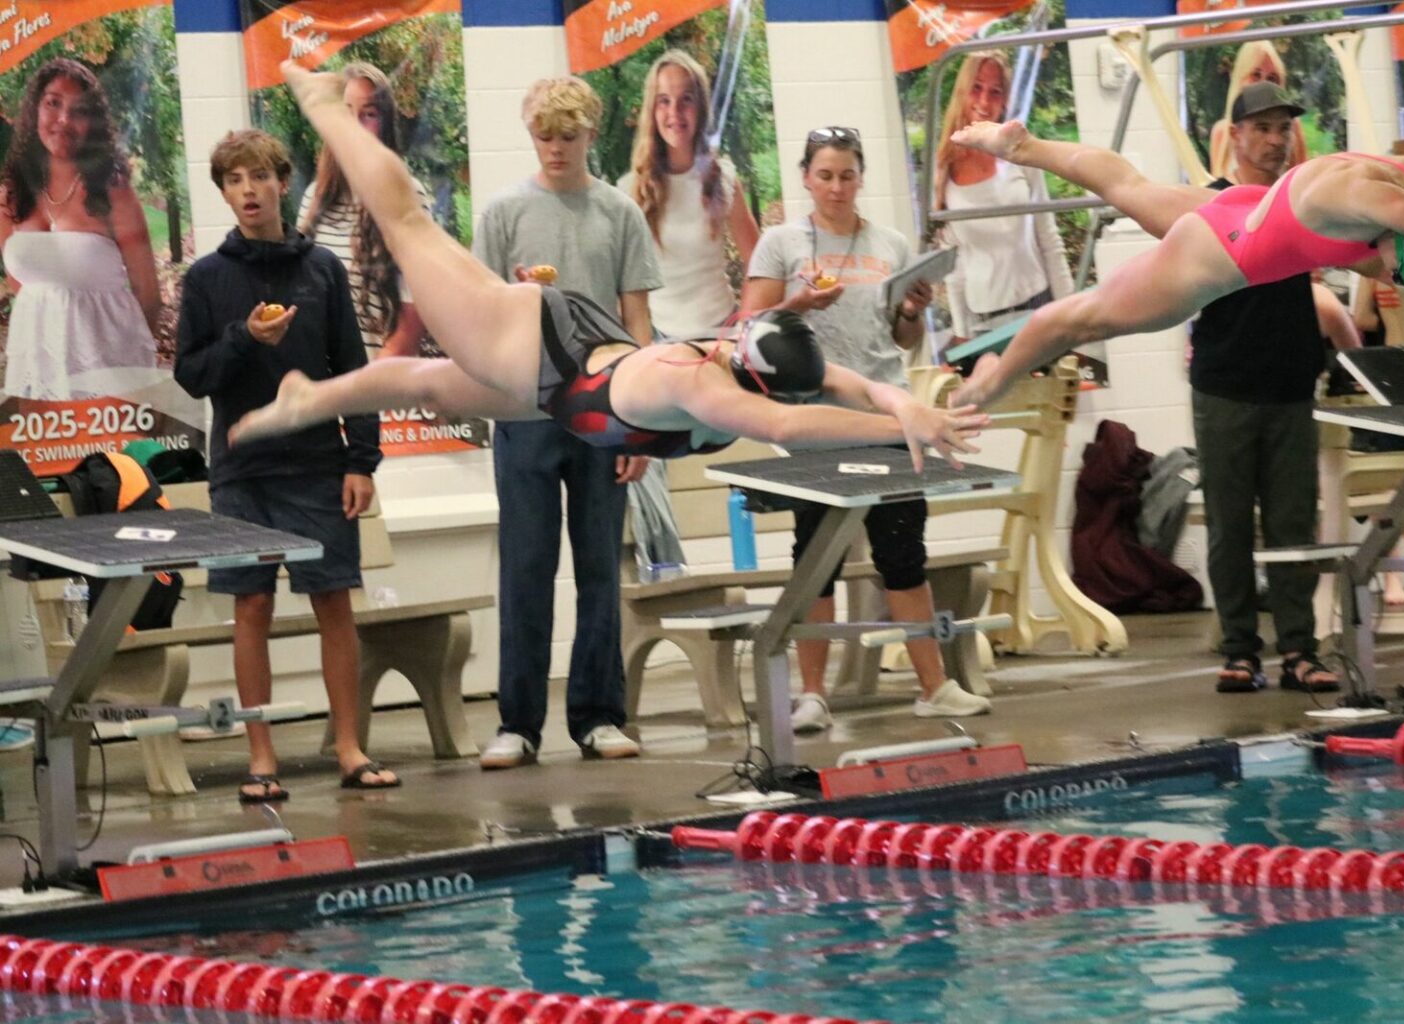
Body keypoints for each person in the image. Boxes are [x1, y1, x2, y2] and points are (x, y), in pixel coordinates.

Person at [238, 65, 989, 747]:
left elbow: (838, 382)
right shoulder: (704, 384)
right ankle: (326, 107)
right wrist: (901, 426)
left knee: (425, 384)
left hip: (568, 381)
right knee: (407, 222)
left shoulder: (734, 361)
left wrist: (902, 404)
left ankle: (311, 397)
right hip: (541, 348)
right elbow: (792, 421)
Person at [944, 119, 1404, 411]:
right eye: (1399, 272)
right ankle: (991, 381)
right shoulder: (1370, 202)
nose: (1391, 280)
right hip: (1220, 254)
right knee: (1083, 319)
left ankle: (1025, 147)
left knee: (1131, 187)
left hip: (1245, 208)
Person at [741, 125, 994, 732]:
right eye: (825, 175)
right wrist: (799, 304)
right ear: (806, 178)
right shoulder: (781, 243)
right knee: (816, 556)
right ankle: (811, 693)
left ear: (860, 179)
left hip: (887, 412)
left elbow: (902, 339)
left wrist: (911, 310)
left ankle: (933, 686)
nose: (836, 187)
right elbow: (748, 326)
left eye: (847, 176)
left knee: (903, 549)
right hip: (814, 413)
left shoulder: (890, 244)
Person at [174, 128, 396, 802]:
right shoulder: (207, 279)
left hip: (318, 465)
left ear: (281, 183)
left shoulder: (321, 270)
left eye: (259, 177)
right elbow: (192, 375)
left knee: (333, 600)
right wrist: (244, 337)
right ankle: (261, 756)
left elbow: (353, 372)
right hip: (242, 471)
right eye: (234, 180)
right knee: (252, 604)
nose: (249, 191)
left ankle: (349, 748)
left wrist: (361, 461)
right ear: (224, 192)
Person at [473, 75, 662, 769]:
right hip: (525, 409)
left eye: (568, 136)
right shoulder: (502, 212)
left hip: (603, 412)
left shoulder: (619, 212)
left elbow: (637, 322)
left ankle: (599, 716)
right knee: (525, 568)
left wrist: (641, 423)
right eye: (544, 136)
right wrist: (518, 299)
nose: (555, 148)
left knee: (599, 568)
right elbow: (481, 316)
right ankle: (517, 724)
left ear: (591, 135)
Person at [1189, 83, 1346, 695]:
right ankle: (1239, 650)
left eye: (1283, 128)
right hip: (1226, 386)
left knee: (1293, 525)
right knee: (1229, 525)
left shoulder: (1302, 201)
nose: (1275, 140)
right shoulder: (1210, 204)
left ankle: (1300, 649)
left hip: (1291, 386)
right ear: (1235, 136)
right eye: (1262, 128)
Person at [0, 57, 161, 400]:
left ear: (93, 124)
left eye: (79, 111)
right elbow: (22, 287)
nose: (64, 120)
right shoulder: (11, 195)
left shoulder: (114, 192)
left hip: (110, 375)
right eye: (53, 103)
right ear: (34, 110)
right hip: (35, 374)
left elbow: (148, 292)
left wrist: (139, 381)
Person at [933, 50, 1073, 346]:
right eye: (976, 88)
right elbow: (954, 266)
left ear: (1006, 99)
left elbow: (1050, 240)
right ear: (962, 92)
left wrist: (1072, 318)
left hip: (1038, 306)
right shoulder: (944, 169)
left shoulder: (1022, 153)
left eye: (995, 91)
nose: (984, 101)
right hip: (983, 321)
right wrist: (961, 333)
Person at [618, 50, 759, 338]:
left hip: (723, 335)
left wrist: (744, 323)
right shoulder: (630, 189)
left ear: (701, 107)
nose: (675, 112)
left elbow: (759, 263)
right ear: (652, 110)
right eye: (664, 101)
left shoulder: (723, 179)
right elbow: (624, 287)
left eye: (686, 99)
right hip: (662, 342)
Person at [297, 62, 428, 359]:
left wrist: (370, 382)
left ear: (386, 122)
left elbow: (415, 316)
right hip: (329, 380)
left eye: (369, 114)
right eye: (346, 114)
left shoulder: (408, 195)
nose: (355, 126)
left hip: (384, 377)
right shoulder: (313, 198)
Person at [1205, 41, 1308, 181]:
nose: (1263, 83)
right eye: (1256, 75)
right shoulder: (1221, 133)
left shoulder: (1294, 127)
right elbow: (1216, 185)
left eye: (1272, 78)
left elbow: (1302, 183)